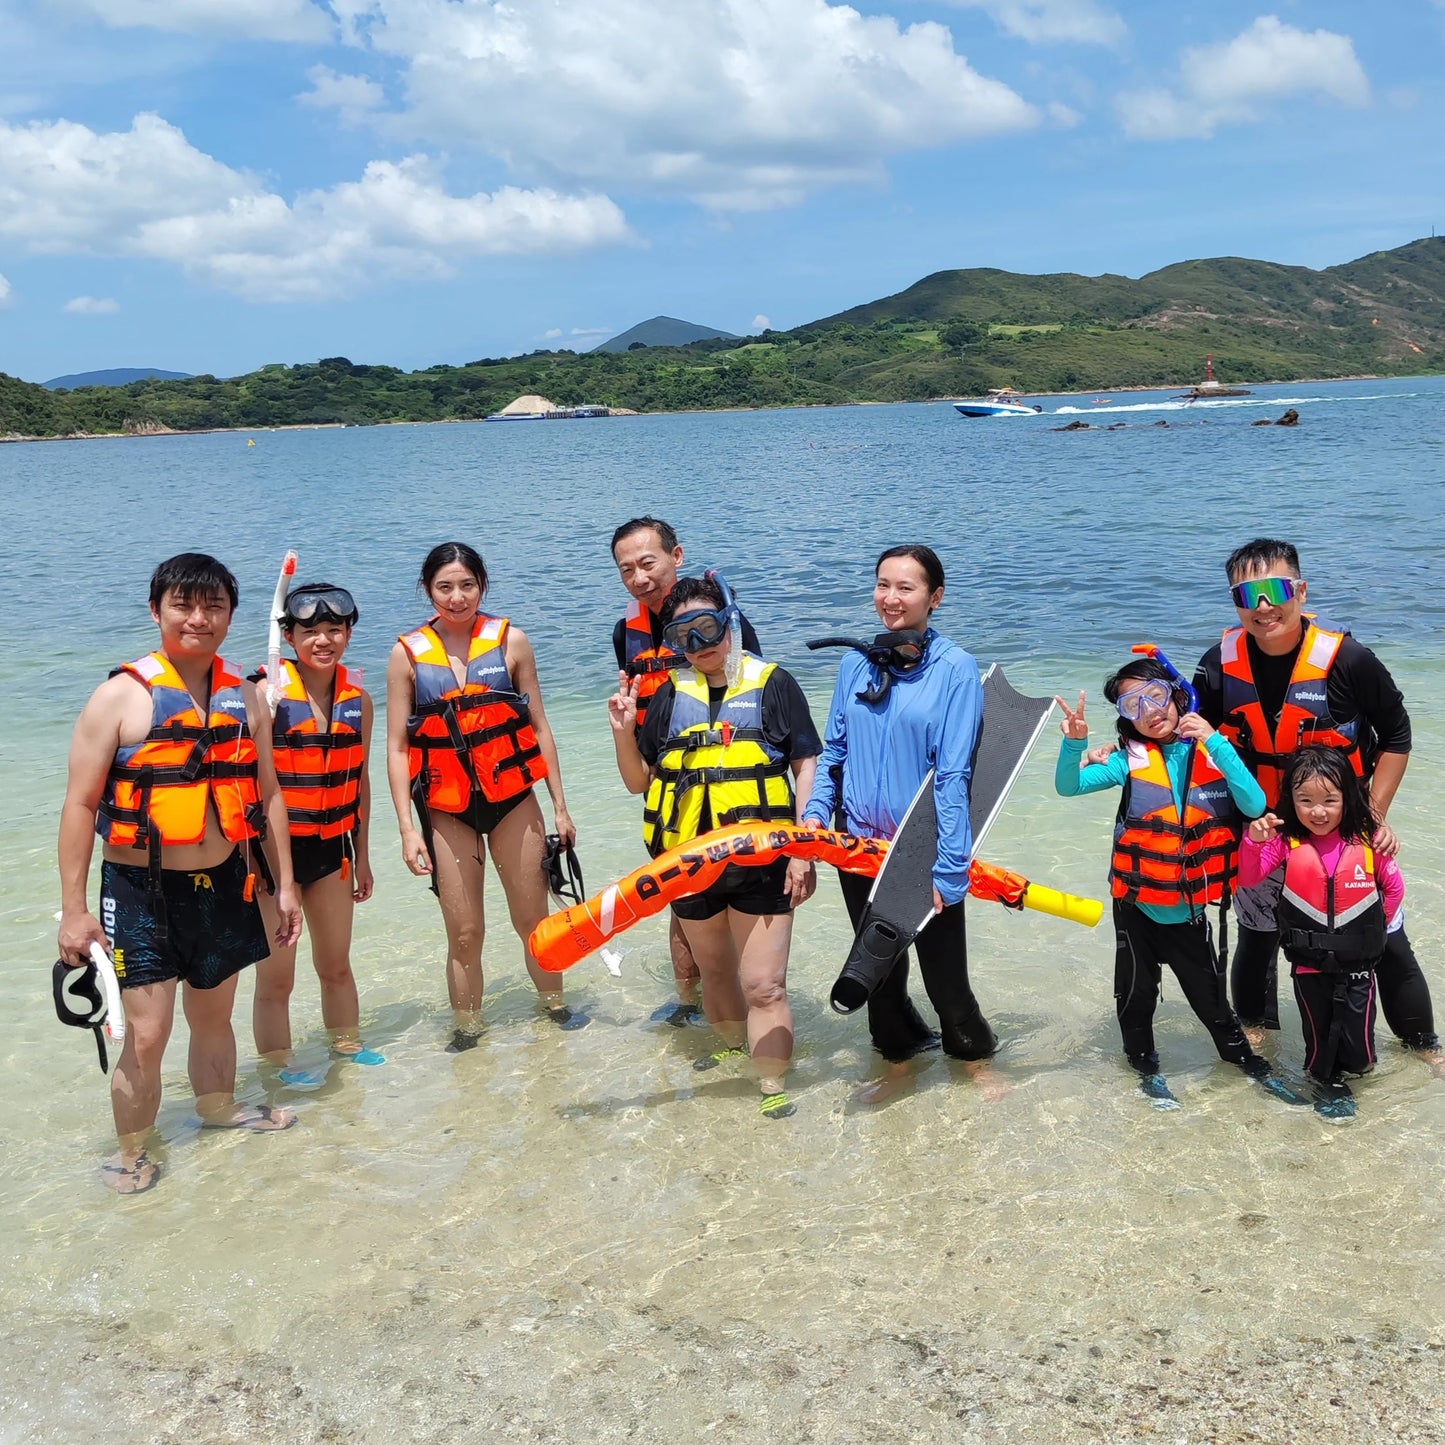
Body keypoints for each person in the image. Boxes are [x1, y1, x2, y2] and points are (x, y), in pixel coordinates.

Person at [57, 554, 303, 1195]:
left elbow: (269, 793)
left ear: (229, 615)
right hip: (141, 893)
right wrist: (75, 909)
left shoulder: (244, 695)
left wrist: (286, 886)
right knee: (146, 1032)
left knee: (214, 1016)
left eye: (213, 606)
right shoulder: (120, 697)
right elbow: (80, 805)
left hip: (223, 881)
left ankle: (216, 1109)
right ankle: (131, 1150)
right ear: (156, 610)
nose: (199, 618)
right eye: (184, 606)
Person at [1192, 538, 1439, 1070]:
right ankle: (1257, 1036)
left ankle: (1423, 1047)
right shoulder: (1217, 664)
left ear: (1300, 591)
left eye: (1275, 590)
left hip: (1340, 830)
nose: (1262, 607)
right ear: (1235, 602)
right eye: (1246, 594)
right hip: (1263, 831)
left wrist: (1373, 813)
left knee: (1384, 940)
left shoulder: (1349, 660)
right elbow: (1186, 738)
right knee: (1258, 937)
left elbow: (1396, 734)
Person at [608, 573, 820, 1118]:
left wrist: (803, 848)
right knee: (719, 975)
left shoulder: (774, 683)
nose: (700, 646)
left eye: (708, 628)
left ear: (730, 620)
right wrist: (622, 730)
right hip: (688, 862)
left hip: (763, 860)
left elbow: (806, 765)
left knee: (765, 985)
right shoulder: (671, 695)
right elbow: (639, 782)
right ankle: (730, 1060)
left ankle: (772, 1088)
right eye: (685, 637)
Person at [1054, 658, 1300, 1108]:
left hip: (1188, 911)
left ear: (1177, 694)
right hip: (1137, 907)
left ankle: (1248, 1065)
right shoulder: (1128, 759)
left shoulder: (1211, 751)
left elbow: (1254, 801)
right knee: (1136, 997)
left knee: (1212, 1003)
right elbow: (1068, 788)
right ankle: (1146, 1070)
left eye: (1154, 694)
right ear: (1125, 716)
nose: (1148, 709)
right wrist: (1075, 745)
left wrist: (1213, 739)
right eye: (1132, 704)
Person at [802, 546, 996, 1094]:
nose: (891, 598)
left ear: (935, 598)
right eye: (882, 584)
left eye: (906, 588)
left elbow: (954, 775)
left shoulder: (955, 668)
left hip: (922, 850)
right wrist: (818, 813)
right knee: (878, 977)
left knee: (945, 980)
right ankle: (899, 1063)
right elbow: (833, 752)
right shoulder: (854, 664)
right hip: (858, 847)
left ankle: (977, 1062)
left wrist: (952, 865)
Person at [387, 542, 581, 1051]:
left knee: (533, 921)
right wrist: (408, 829)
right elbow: (395, 746)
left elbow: (540, 728)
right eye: (444, 587)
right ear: (428, 590)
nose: (457, 597)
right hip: (447, 809)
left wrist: (560, 806)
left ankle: (554, 1013)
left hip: (514, 797)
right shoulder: (405, 654)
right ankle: (468, 1030)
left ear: (483, 586)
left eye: (467, 585)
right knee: (466, 932)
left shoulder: (512, 641)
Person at [610, 517, 763, 1026]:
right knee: (680, 901)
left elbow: (755, 698)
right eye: (626, 569)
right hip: (668, 791)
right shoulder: (624, 634)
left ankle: (747, 1003)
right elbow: (637, 712)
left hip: (731, 785)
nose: (639, 578)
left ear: (676, 557)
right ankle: (689, 1007)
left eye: (648, 563)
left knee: (735, 906)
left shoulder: (721, 618)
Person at [252, 581, 383, 1079]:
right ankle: (279, 1065)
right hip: (271, 857)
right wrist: (278, 875)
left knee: (336, 965)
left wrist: (364, 854)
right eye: (310, 632)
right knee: (277, 978)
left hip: (333, 850)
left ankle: (346, 1049)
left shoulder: (359, 703)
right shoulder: (265, 696)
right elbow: (258, 790)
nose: (323, 641)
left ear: (349, 633)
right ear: (288, 637)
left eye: (334, 630)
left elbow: (360, 782)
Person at [1240, 746, 1405, 1118]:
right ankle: (1325, 1086)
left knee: (1362, 1055)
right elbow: (1250, 877)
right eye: (1305, 800)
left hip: (1358, 965)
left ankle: (1357, 1085)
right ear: (1291, 801)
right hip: (1309, 964)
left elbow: (1393, 887)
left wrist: (1374, 935)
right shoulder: (1285, 842)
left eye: (1330, 800)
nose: (1318, 811)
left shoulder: (1368, 842)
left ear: (1349, 796)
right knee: (1318, 1045)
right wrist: (1253, 839)